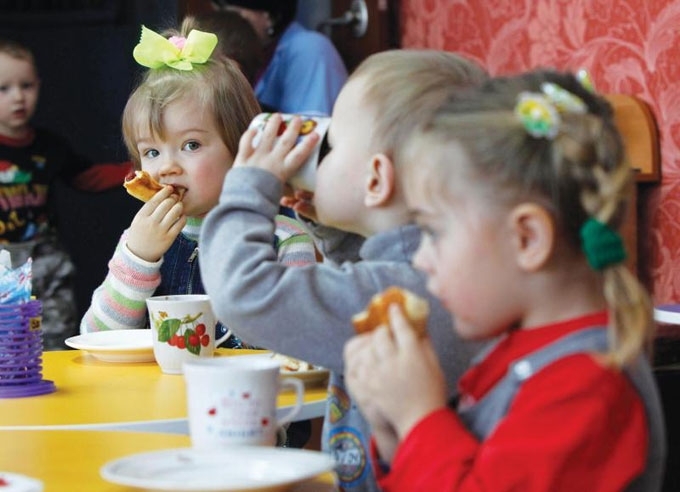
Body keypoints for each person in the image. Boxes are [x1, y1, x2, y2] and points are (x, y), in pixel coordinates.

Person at [343, 70, 666, 491]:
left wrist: (419, 417)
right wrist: (393, 432)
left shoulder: (588, 385)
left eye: (434, 231)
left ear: (526, 238)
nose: (421, 259)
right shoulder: (517, 349)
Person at [199, 49, 488, 491]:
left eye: (330, 145)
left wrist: (247, 189)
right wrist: (335, 229)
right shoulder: (427, 273)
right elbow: (360, 280)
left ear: (376, 181)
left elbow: (244, 293)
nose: (317, 157)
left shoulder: (403, 293)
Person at [79, 19, 317, 355]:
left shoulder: (283, 239)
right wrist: (139, 258)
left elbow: (303, 344)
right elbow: (94, 340)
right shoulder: (140, 241)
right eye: (151, 152)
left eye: (191, 145)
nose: (167, 167)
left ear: (241, 149)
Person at [0, 38, 131, 350]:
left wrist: (136, 170)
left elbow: (87, 177)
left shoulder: (49, 147)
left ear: (38, 85)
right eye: (3, 89)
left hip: (46, 260)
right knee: (8, 343)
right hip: (3, 262)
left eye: (26, 86)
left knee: (54, 335)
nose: (18, 97)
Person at [212, 0, 348, 115]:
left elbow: (311, 130)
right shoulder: (260, 50)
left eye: (235, 15)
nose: (227, 23)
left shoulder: (310, 48)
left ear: (269, 17)